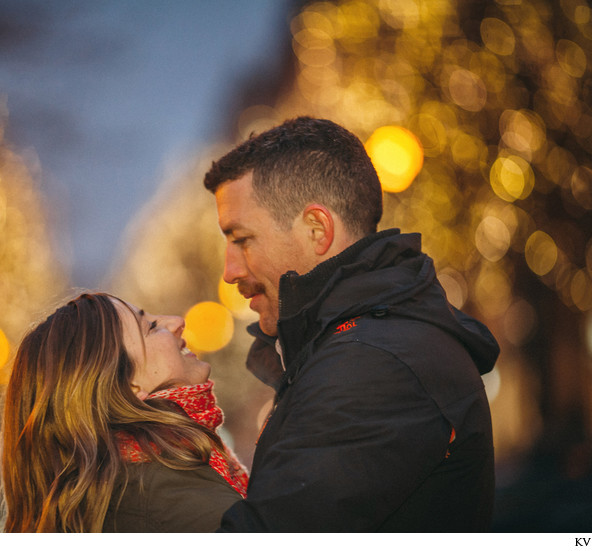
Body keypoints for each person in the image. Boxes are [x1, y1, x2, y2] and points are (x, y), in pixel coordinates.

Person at [203, 116, 499, 532]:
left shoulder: (371, 365)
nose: (230, 271)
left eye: (241, 239)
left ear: (316, 229)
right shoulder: (368, 344)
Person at [0, 292, 247, 532]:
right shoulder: (163, 491)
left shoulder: (121, 487)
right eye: (150, 327)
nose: (177, 322)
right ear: (128, 386)